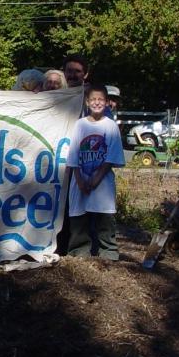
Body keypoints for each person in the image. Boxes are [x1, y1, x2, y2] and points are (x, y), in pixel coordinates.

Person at [65, 84, 125, 260]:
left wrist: (97, 178)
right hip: (81, 178)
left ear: (106, 102)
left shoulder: (110, 125)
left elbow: (112, 155)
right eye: (93, 99)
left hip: (102, 179)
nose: (97, 103)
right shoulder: (80, 124)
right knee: (79, 214)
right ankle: (79, 251)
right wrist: (79, 179)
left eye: (100, 100)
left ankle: (108, 251)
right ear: (87, 102)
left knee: (104, 215)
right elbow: (73, 153)